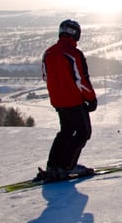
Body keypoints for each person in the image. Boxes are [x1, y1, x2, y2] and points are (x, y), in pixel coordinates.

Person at [41, 19, 98, 180]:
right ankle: (67, 166)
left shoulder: (48, 52)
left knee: (65, 131)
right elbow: (81, 80)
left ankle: (53, 165)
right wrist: (91, 99)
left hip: (58, 101)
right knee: (83, 132)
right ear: (76, 34)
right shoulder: (73, 54)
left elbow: (46, 77)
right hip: (73, 101)